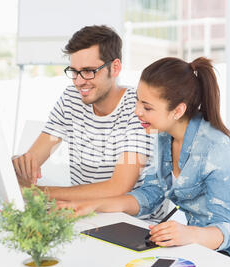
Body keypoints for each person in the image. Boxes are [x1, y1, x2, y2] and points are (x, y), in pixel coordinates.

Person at [57, 56, 230, 267]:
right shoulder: (165, 135)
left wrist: (187, 233)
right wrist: (94, 206)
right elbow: (151, 193)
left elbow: (226, 229)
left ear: (178, 110)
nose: (137, 112)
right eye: (137, 102)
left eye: (147, 107)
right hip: (208, 251)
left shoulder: (217, 147)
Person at [13, 25, 161, 210]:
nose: (79, 81)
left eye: (89, 71)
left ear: (115, 68)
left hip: (126, 220)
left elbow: (118, 187)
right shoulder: (71, 99)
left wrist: (40, 192)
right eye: (74, 71)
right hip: (79, 213)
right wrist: (19, 166)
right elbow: (31, 162)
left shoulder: (138, 108)